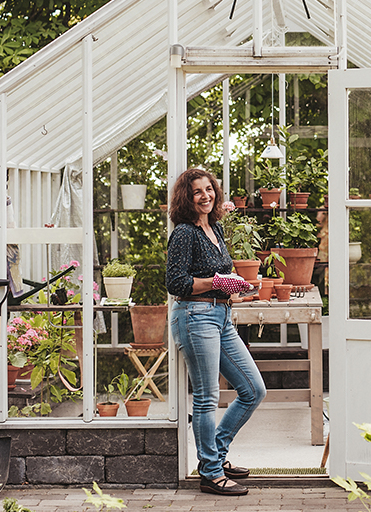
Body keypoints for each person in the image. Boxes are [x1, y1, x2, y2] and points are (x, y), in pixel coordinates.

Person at [166, 168, 266, 496]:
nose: (206, 196)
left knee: (253, 389)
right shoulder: (184, 233)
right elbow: (176, 283)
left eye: (209, 189)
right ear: (186, 197)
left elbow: (222, 274)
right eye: (197, 192)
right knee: (208, 397)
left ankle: (215, 456)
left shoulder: (216, 228)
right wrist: (217, 282)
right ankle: (210, 472)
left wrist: (240, 286)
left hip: (221, 316)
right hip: (194, 317)